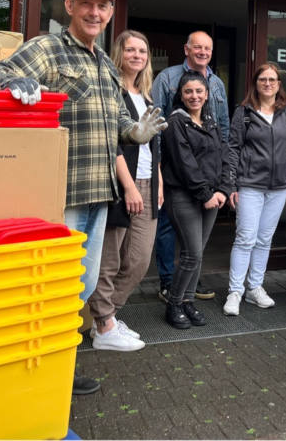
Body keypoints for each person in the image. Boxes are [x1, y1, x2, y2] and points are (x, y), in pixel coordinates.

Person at [0, 0, 167, 394]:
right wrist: (14, 84)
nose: (95, 13)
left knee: (77, 287)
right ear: (70, 5)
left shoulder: (103, 63)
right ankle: (35, 370)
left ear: (111, 12)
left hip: (100, 193)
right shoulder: (48, 48)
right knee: (49, 285)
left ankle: (59, 366)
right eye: (87, 5)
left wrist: (134, 132)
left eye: (103, 6)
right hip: (62, 192)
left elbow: (114, 120)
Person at [88, 31, 162, 352]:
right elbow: (113, 143)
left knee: (139, 261)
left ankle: (105, 318)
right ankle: (104, 323)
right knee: (109, 259)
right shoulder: (112, 90)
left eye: (142, 50)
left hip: (147, 183)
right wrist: (130, 186)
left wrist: (157, 182)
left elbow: (151, 144)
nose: (137, 55)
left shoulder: (145, 95)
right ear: (118, 53)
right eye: (130, 49)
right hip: (120, 183)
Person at [151, 31, 229, 303]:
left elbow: (223, 129)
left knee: (195, 243)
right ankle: (168, 282)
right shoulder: (167, 78)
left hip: (207, 174)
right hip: (176, 172)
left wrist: (222, 181)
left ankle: (187, 286)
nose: (203, 52)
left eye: (207, 48)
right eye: (197, 47)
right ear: (187, 49)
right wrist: (159, 167)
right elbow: (156, 126)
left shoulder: (217, 83)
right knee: (168, 228)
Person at [223, 63, 286, 316]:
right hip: (250, 184)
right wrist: (232, 184)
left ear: (279, 84)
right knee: (245, 238)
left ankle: (255, 287)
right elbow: (233, 148)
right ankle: (235, 291)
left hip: (278, 187)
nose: (268, 83)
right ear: (256, 84)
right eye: (263, 79)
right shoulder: (244, 112)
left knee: (264, 240)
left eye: (272, 79)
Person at [161, 71, 231, 329]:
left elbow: (223, 155)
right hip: (184, 195)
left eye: (199, 91)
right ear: (181, 94)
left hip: (212, 196)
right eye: (188, 91)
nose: (194, 96)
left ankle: (188, 302)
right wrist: (205, 194)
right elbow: (184, 164)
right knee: (191, 254)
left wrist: (223, 189)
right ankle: (174, 304)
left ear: (207, 94)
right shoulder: (175, 122)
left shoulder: (210, 121)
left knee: (198, 254)